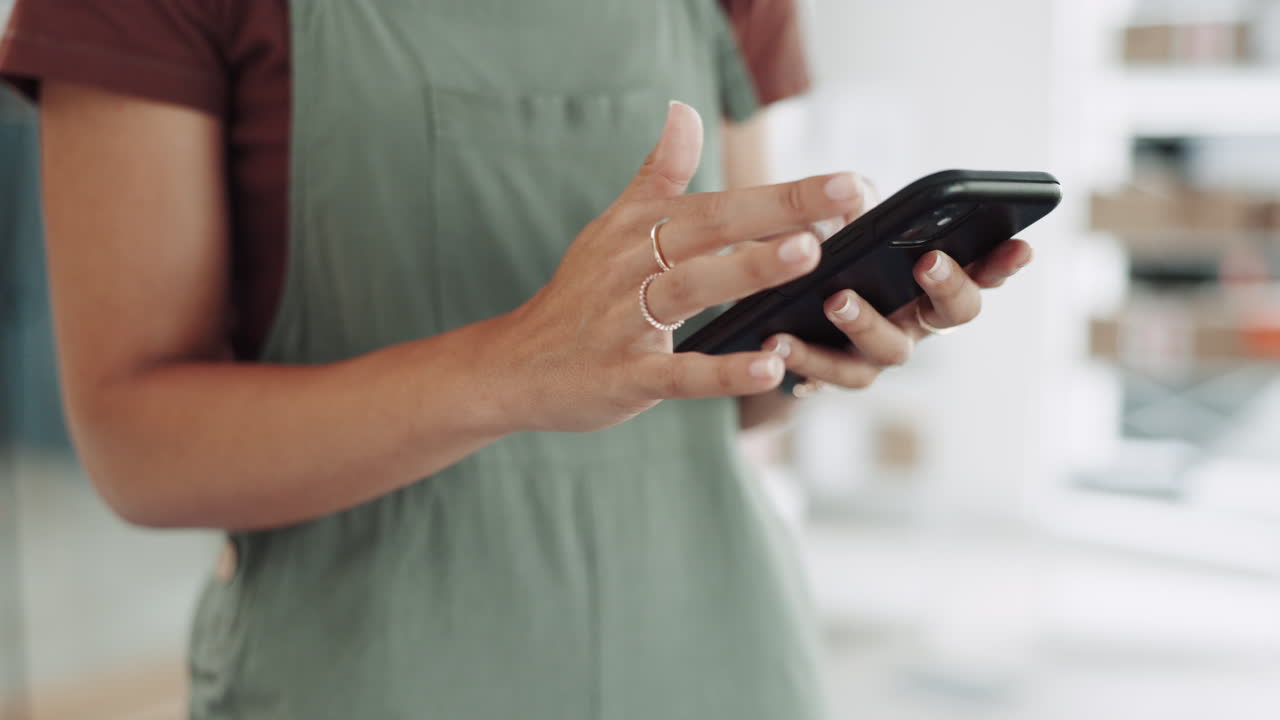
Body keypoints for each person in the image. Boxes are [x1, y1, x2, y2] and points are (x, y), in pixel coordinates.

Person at [0, 1, 1033, 718]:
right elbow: (136, 445)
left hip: (719, 661)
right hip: (367, 682)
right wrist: (512, 368)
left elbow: (706, 386)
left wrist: (803, 354)